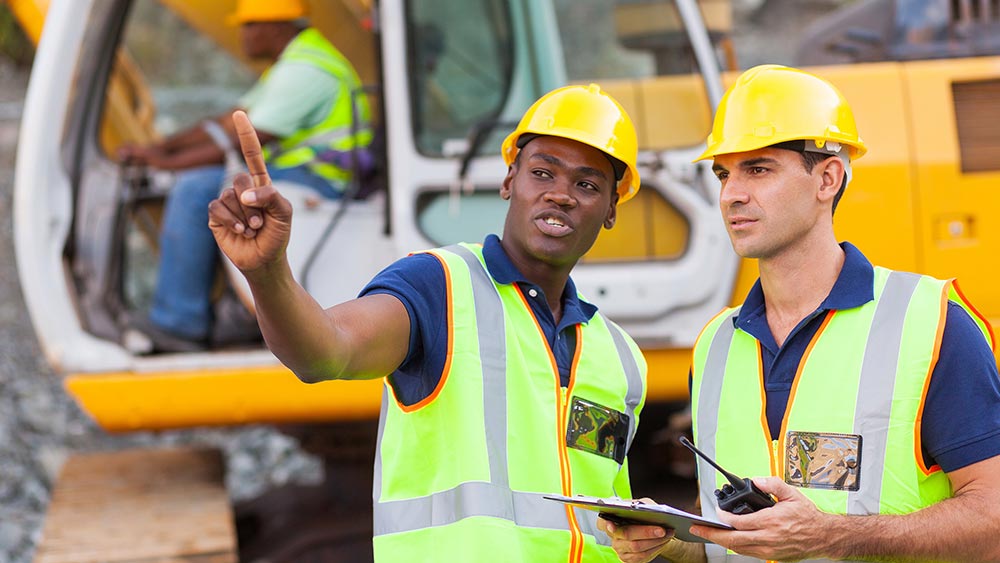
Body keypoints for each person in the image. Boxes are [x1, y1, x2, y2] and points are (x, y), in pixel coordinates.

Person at [209, 84, 649, 562]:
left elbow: (607, 519)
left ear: (610, 209)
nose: (560, 195)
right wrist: (267, 271)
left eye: (586, 185)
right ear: (509, 182)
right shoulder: (438, 287)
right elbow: (325, 351)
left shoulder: (621, 357)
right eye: (542, 173)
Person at [603, 64, 1000, 563]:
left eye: (759, 169)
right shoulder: (715, 345)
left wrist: (828, 535)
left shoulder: (930, 323)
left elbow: (993, 521)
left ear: (827, 179)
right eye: (724, 174)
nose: (732, 194)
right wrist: (671, 541)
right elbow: (733, 530)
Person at [121, 0, 372, 352]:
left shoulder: (307, 71)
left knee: (197, 190)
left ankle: (179, 323)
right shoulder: (296, 62)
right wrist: (161, 150)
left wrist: (167, 165)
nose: (243, 35)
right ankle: (212, 309)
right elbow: (227, 123)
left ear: (277, 26)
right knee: (205, 182)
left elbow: (244, 140)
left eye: (249, 25)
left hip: (319, 181)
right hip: (298, 173)